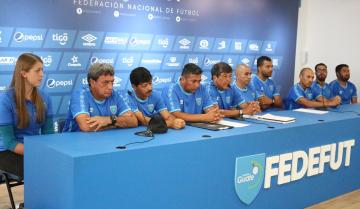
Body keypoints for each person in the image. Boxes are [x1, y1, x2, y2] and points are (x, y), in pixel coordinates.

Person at [0, 53, 54, 178]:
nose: (42, 74)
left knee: (60, 165)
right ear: (24, 73)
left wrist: (51, 152)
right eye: (37, 71)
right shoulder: (5, 100)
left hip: (35, 149)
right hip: (7, 152)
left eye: (42, 70)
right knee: (40, 170)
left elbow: (49, 134)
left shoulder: (45, 97)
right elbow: (9, 142)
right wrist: (38, 152)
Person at [63, 63, 138, 132]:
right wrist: (117, 124)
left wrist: (109, 120)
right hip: (74, 142)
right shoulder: (80, 94)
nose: (110, 87)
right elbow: (86, 126)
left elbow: (133, 121)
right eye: (105, 82)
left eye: (112, 82)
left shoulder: (115, 94)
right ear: (92, 82)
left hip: (104, 140)